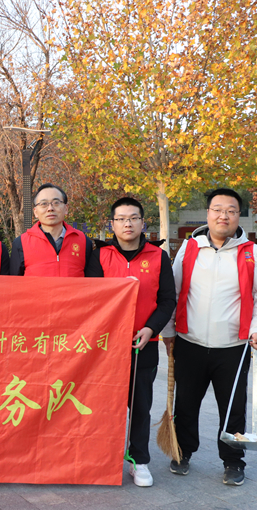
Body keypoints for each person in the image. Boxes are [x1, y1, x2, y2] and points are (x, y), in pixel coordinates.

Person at [161, 188, 257, 486]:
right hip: (190, 343)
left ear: (239, 216)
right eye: (217, 209)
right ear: (208, 213)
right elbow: (173, 293)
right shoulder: (190, 248)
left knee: (233, 409)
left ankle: (233, 461)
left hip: (234, 347)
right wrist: (169, 332)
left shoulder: (252, 252)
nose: (224, 215)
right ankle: (182, 452)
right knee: (186, 405)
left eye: (231, 210)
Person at [84, 198, 176, 487]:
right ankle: (102, 458)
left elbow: (167, 300)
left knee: (139, 406)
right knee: (102, 405)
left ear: (142, 223)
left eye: (133, 218)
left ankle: (139, 460)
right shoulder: (99, 256)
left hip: (142, 344)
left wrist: (151, 329)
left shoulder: (158, 257)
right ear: (112, 224)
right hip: (105, 346)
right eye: (121, 219)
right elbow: (90, 298)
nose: (128, 223)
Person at [10, 183, 93, 276]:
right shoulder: (21, 243)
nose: (50, 208)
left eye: (56, 203)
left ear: (66, 208)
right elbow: (14, 282)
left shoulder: (83, 241)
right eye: (44, 204)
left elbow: (91, 281)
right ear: (35, 212)